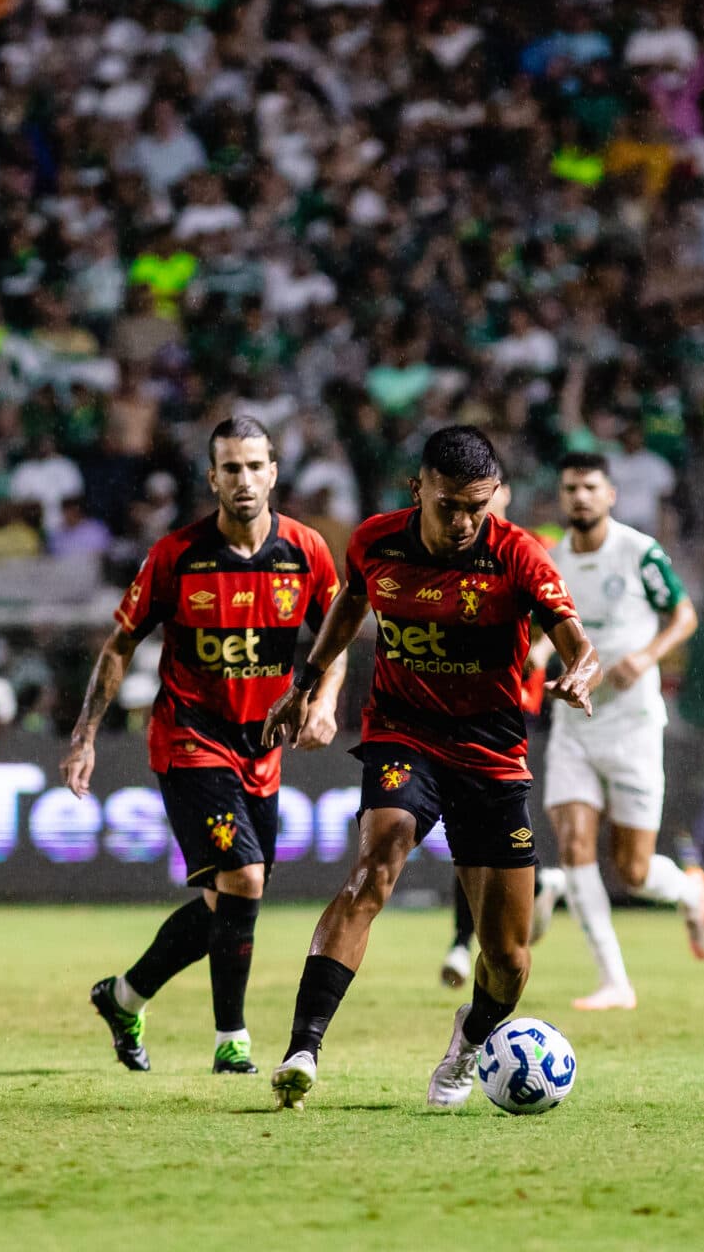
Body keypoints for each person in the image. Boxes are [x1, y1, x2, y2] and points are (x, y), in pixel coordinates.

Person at [262, 426, 599, 1110]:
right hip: (403, 733)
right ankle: (303, 1047)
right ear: (419, 490)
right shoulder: (376, 541)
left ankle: (469, 1043)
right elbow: (348, 603)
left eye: (480, 504)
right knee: (374, 864)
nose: (467, 521)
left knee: (507, 957)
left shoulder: (518, 556)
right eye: (451, 505)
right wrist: (305, 684)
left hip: (490, 752)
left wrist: (581, 674)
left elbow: (579, 644)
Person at [62, 416, 340, 1076]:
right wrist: (85, 736)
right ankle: (231, 1041)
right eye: (230, 468)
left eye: (255, 466)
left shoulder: (305, 551)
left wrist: (324, 703)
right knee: (242, 880)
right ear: (212, 477)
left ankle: (124, 996)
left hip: (262, 748)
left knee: (230, 899)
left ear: (274, 472)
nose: (244, 480)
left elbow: (335, 637)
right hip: (190, 737)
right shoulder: (177, 555)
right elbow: (119, 644)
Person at [529, 452, 704, 1012]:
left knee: (633, 871)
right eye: (570, 488)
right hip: (574, 723)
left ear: (610, 495)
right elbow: (548, 633)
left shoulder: (638, 551)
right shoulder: (553, 560)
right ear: (561, 498)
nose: (580, 497)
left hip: (632, 724)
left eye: (590, 487)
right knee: (576, 845)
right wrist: (536, 657)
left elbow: (684, 614)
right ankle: (615, 981)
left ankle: (688, 889)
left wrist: (648, 655)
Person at [439, 475, 544, 991]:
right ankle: (463, 942)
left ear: (503, 495)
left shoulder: (524, 552)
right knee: (470, 844)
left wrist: (533, 657)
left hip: (516, 716)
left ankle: (542, 885)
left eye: (482, 499)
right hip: (458, 718)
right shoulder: (445, 551)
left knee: (504, 844)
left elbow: (553, 621)